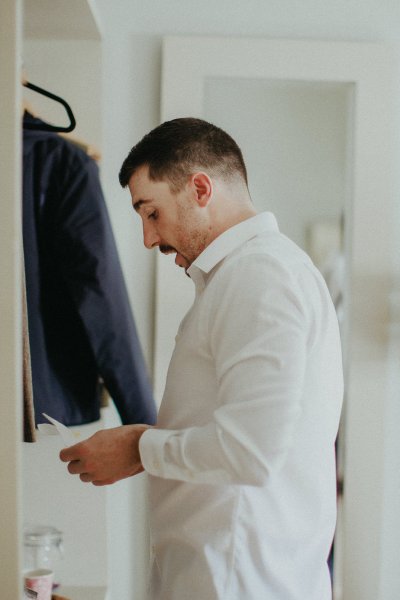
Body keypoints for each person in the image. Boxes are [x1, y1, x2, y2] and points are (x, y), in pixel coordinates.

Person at [60, 118, 344, 599]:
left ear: (200, 188)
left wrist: (137, 447)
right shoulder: (246, 276)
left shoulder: (259, 277)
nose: (149, 238)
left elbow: (250, 452)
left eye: (151, 213)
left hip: (238, 581)